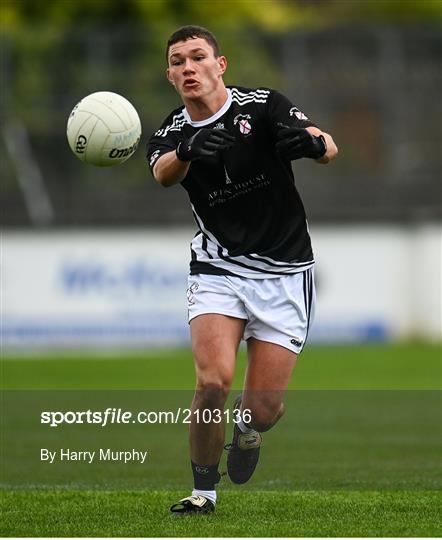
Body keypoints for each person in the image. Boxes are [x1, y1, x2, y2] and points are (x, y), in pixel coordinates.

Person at [147, 25, 338, 514]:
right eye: (177, 62)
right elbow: (162, 173)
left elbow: (325, 142)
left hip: (286, 270)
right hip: (218, 267)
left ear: (220, 64)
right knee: (212, 381)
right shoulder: (172, 132)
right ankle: (202, 493)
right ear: (169, 76)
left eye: (197, 57)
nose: (188, 68)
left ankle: (248, 430)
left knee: (265, 410)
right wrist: (188, 150)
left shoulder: (262, 104)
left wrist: (312, 145)